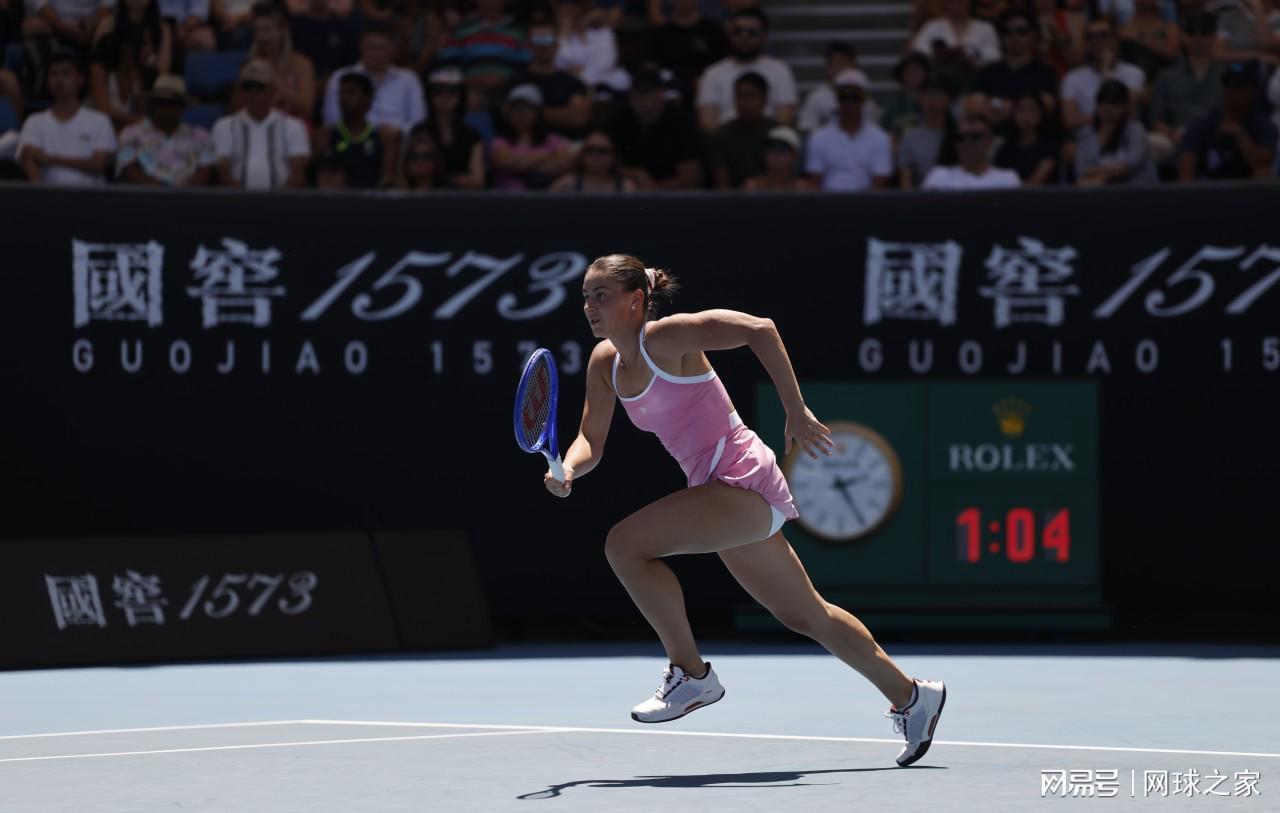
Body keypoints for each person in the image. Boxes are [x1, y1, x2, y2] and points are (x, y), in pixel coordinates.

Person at [550, 254, 947, 768]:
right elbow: (591, 439)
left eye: (601, 295)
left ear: (636, 300)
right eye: (586, 296)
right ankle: (913, 696)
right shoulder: (604, 363)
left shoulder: (668, 337)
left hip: (739, 478)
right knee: (806, 615)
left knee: (624, 546)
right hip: (716, 491)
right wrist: (568, 469)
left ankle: (691, 675)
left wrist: (795, 409)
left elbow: (761, 329)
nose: (590, 306)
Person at [18, 53, 116, 185]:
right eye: (53, 74)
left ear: (81, 79)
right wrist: (43, 195)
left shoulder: (100, 121)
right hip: (47, 196)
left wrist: (50, 159)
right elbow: (28, 157)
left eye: (66, 73)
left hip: (90, 196)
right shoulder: (33, 122)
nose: (59, 79)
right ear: (48, 82)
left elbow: (99, 164)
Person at [211, 58, 310, 188]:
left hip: (282, 199)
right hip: (237, 199)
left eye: (259, 87)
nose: (253, 93)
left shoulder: (294, 126)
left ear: (273, 91)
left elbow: (297, 174)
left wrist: (278, 199)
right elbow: (222, 172)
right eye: (247, 87)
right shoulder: (223, 126)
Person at [696, 8, 797, 130]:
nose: (744, 37)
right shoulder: (713, 73)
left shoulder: (780, 71)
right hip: (726, 139)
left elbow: (785, 119)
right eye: (737, 31)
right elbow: (707, 123)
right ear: (728, 34)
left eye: (752, 32)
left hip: (769, 138)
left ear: (764, 36)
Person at [608, 63, 703, 190]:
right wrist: (632, 174)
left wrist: (651, 188)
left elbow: (690, 179)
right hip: (626, 193)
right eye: (636, 92)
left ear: (660, 94)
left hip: (672, 197)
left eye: (647, 92)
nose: (641, 98)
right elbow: (603, 161)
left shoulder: (682, 124)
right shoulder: (618, 121)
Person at [1178, 59, 1278, 180]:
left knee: (1263, 173)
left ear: (1253, 91)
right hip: (1208, 188)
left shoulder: (1265, 126)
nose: (1234, 91)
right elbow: (1186, 170)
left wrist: (1240, 135)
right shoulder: (1202, 124)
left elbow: (1262, 164)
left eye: (1241, 86)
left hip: (1248, 189)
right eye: (1230, 85)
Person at [115, 73, 217, 186]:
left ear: (183, 106)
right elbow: (130, 172)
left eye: (172, 103)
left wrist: (185, 190)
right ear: (152, 104)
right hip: (145, 195)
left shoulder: (201, 136)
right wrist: (162, 190)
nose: (166, 108)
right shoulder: (131, 134)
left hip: (190, 195)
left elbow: (205, 173)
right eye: (161, 102)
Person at [323, 22, 425, 131]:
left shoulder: (408, 79)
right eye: (370, 47)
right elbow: (331, 120)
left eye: (381, 48)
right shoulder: (340, 76)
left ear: (393, 49)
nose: (375, 53)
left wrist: (398, 132)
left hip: (398, 138)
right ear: (360, 47)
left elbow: (418, 121)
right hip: (351, 138)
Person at [1149, 11, 1224, 157]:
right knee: (1150, 143)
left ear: (1214, 36)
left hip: (1216, 137)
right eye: (1192, 33)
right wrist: (1172, 134)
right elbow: (1156, 119)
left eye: (1204, 33)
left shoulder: (1226, 75)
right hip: (1174, 138)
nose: (1198, 38)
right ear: (1183, 36)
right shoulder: (1167, 76)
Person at [88, 0, 172, 131]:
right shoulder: (100, 68)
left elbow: (140, 113)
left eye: (151, 44)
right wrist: (144, 122)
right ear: (128, 48)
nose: (151, 50)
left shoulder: (142, 75)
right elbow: (104, 110)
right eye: (145, 44)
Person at [804, 69, 892, 191]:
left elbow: (879, 184)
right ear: (836, 99)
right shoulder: (819, 137)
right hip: (828, 199)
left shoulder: (880, 138)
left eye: (856, 97)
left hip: (867, 200)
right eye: (844, 97)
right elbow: (815, 183)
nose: (850, 103)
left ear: (865, 99)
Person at [971, 10, 1059, 127]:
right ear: (1001, 37)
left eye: (1022, 31)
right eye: (1008, 32)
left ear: (1033, 35)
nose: (1015, 36)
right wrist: (1024, 108)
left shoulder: (1045, 72)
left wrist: (996, 104)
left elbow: (1046, 107)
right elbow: (976, 108)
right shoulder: (987, 72)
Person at [437, 0, 530, 111]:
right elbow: (448, 64)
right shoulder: (461, 29)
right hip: (470, 89)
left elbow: (527, 64)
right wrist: (469, 81)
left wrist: (505, 80)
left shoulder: (518, 30)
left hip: (509, 89)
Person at [313, 70, 397, 188]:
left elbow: (387, 180)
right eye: (341, 92)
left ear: (367, 99)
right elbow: (314, 178)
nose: (343, 98)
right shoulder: (325, 135)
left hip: (371, 198)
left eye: (351, 92)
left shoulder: (383, 138)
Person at [1060, 19, 1145, 133]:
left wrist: (1106, 71)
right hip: (1087, 138)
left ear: (1116, 40)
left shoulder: (1133, 73)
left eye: (1103, 35)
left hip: (1124, 137)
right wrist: (1105, 116)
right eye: (1090, 36)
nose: (1097, 41)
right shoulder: (1072, 77)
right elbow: (1069, 120)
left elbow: (1125, 110)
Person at [513, 17, 591, 137]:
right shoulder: (515, 81)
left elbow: (578, 117)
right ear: (528, 45)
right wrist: (562, 114)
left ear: (557, 45)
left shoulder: (573, 83)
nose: (543, 45)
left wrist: (531, 112)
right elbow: (509, 116)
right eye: (537, 40)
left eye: (547, 39)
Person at [490, 82, 574, 190]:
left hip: (543, 198)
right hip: (507, 198)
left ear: (537, 113)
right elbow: (505, 162)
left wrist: (522, 163)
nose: (520, 114)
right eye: (515, 109)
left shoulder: (552, 140)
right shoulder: (498, 142)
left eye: (526, 109)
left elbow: (564, 164)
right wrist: (548, 154)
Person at [244, 0, 315, 124]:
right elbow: (237, 109)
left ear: (283, 29)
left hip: (295, 128)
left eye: (267, 30)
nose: (261, 36)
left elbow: (307, 108)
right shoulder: (250, 64)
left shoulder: (301, 63)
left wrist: (276, 83)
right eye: (257, 30)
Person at [1074, 79, 1157, 184]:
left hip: (1135, 188)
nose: (1108, 108)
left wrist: (1100, 175)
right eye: (1104, 103)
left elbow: (1130, 166)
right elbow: (1082, 171)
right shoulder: (1087, 134)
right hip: (1097, 190)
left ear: (1125, 106)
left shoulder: (1136, 131)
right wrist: (1103, 175)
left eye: (1115, 104)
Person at [708, 70, 774, 189]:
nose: (745, 102)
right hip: (733, 198)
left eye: (751, 96)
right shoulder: (722, 135)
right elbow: (722, 185)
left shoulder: (777, 133)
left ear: (764, 99)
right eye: (740, 96)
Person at [422, 66, 485, 189]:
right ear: (429, 96)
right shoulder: (419, 131)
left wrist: (446, 181)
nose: (445, 96)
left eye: (452, 91)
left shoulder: (473, 136)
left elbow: (478, 180)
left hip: (461, 197)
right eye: (438, 91)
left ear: (461, 96)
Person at [798, 43, 882, 133]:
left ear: (854, 66)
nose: (840, 68)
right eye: (837, 63)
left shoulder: (866, 97)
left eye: (844, 63)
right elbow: (808, 130)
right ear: (828, 67)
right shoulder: (816, 98)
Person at [921, 113, 1021, 188]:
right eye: (961, 137)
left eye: (975, 137)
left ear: (990, 141)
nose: (968, 143)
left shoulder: (1008, 180)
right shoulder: (938, 178)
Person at [649, 0, 729, 89]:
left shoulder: (714, 31)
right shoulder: (660, 35)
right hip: (669, 89)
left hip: (710, 87)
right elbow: (651, 67)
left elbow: (724, 65)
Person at [897, 73, 953, 187]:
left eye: (937, 94)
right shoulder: (910, 137)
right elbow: (906, 183)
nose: (932, 100)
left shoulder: (960, 135)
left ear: (947, 98)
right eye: (927, 94)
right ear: (920, 97)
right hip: (923, 195)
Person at [993, 90, 1059, 184]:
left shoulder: (1049, 149)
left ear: (1041, 114)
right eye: (1021, 110)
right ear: (1013, 113)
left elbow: (1036, 182)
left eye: (1032, 110)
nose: (1026, 115)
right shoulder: (1004, 151)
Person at [910, 0, 1001, 68]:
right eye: (952, 1)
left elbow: (994, 57)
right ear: (945, 3)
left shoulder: (985, 28)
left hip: (977, 78)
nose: (956, 5)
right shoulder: (932, 26)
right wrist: (943, 54)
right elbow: (918, 50)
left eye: (960, 1)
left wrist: (969, 57)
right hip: (941, 78)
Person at [549, 128, 635, 191]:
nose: (595, 156)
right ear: (582, 154)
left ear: (614, 156)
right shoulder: (566, 184)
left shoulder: (625, 187)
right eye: (589, 150)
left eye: (602, 151)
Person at [743, 125, 814, 190]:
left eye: (782, 149)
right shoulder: (752, 187)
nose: (776, 154)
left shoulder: (804, 189)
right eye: (771, 148)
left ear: (794, 156)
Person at [400, 123, 445, 189]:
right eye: (415, 156)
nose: (420, 161)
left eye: (427, 156)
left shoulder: (451, 192)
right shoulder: (391, 192)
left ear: (436, 161)